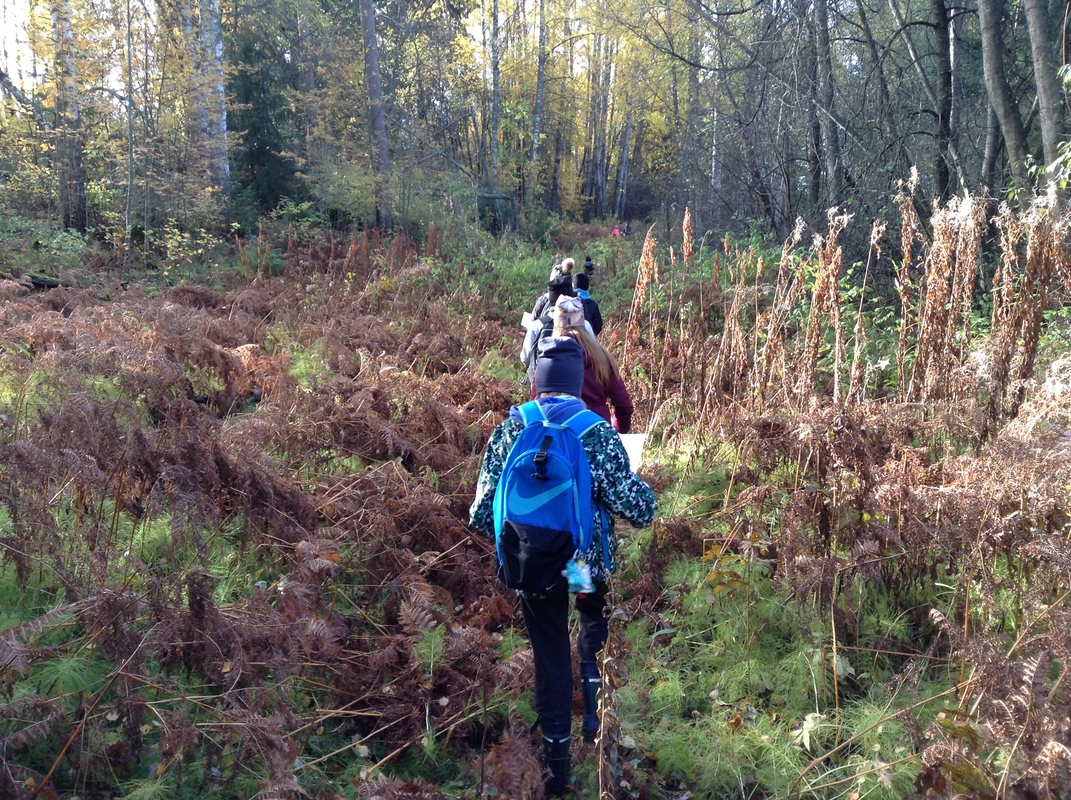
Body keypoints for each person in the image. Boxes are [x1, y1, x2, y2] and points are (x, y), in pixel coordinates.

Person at [469, 337, 656, 795]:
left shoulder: (512, 427)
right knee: (592, 620)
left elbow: (481, 512)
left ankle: (556, 768)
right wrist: (646, 493)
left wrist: (524, 540)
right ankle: (595, 721)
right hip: (579, 566)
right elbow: (636, 508)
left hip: (534, 568)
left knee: (550, 653)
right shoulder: (595, 431)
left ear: (536, 381)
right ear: (578, 383)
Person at [534, 296, 634, 433]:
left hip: (556, 435)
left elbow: (535, 402)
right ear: (583, 322)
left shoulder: (548, 357)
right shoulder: (602, 357)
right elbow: (623, 404)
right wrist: (617, 430)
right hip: (596, 433)